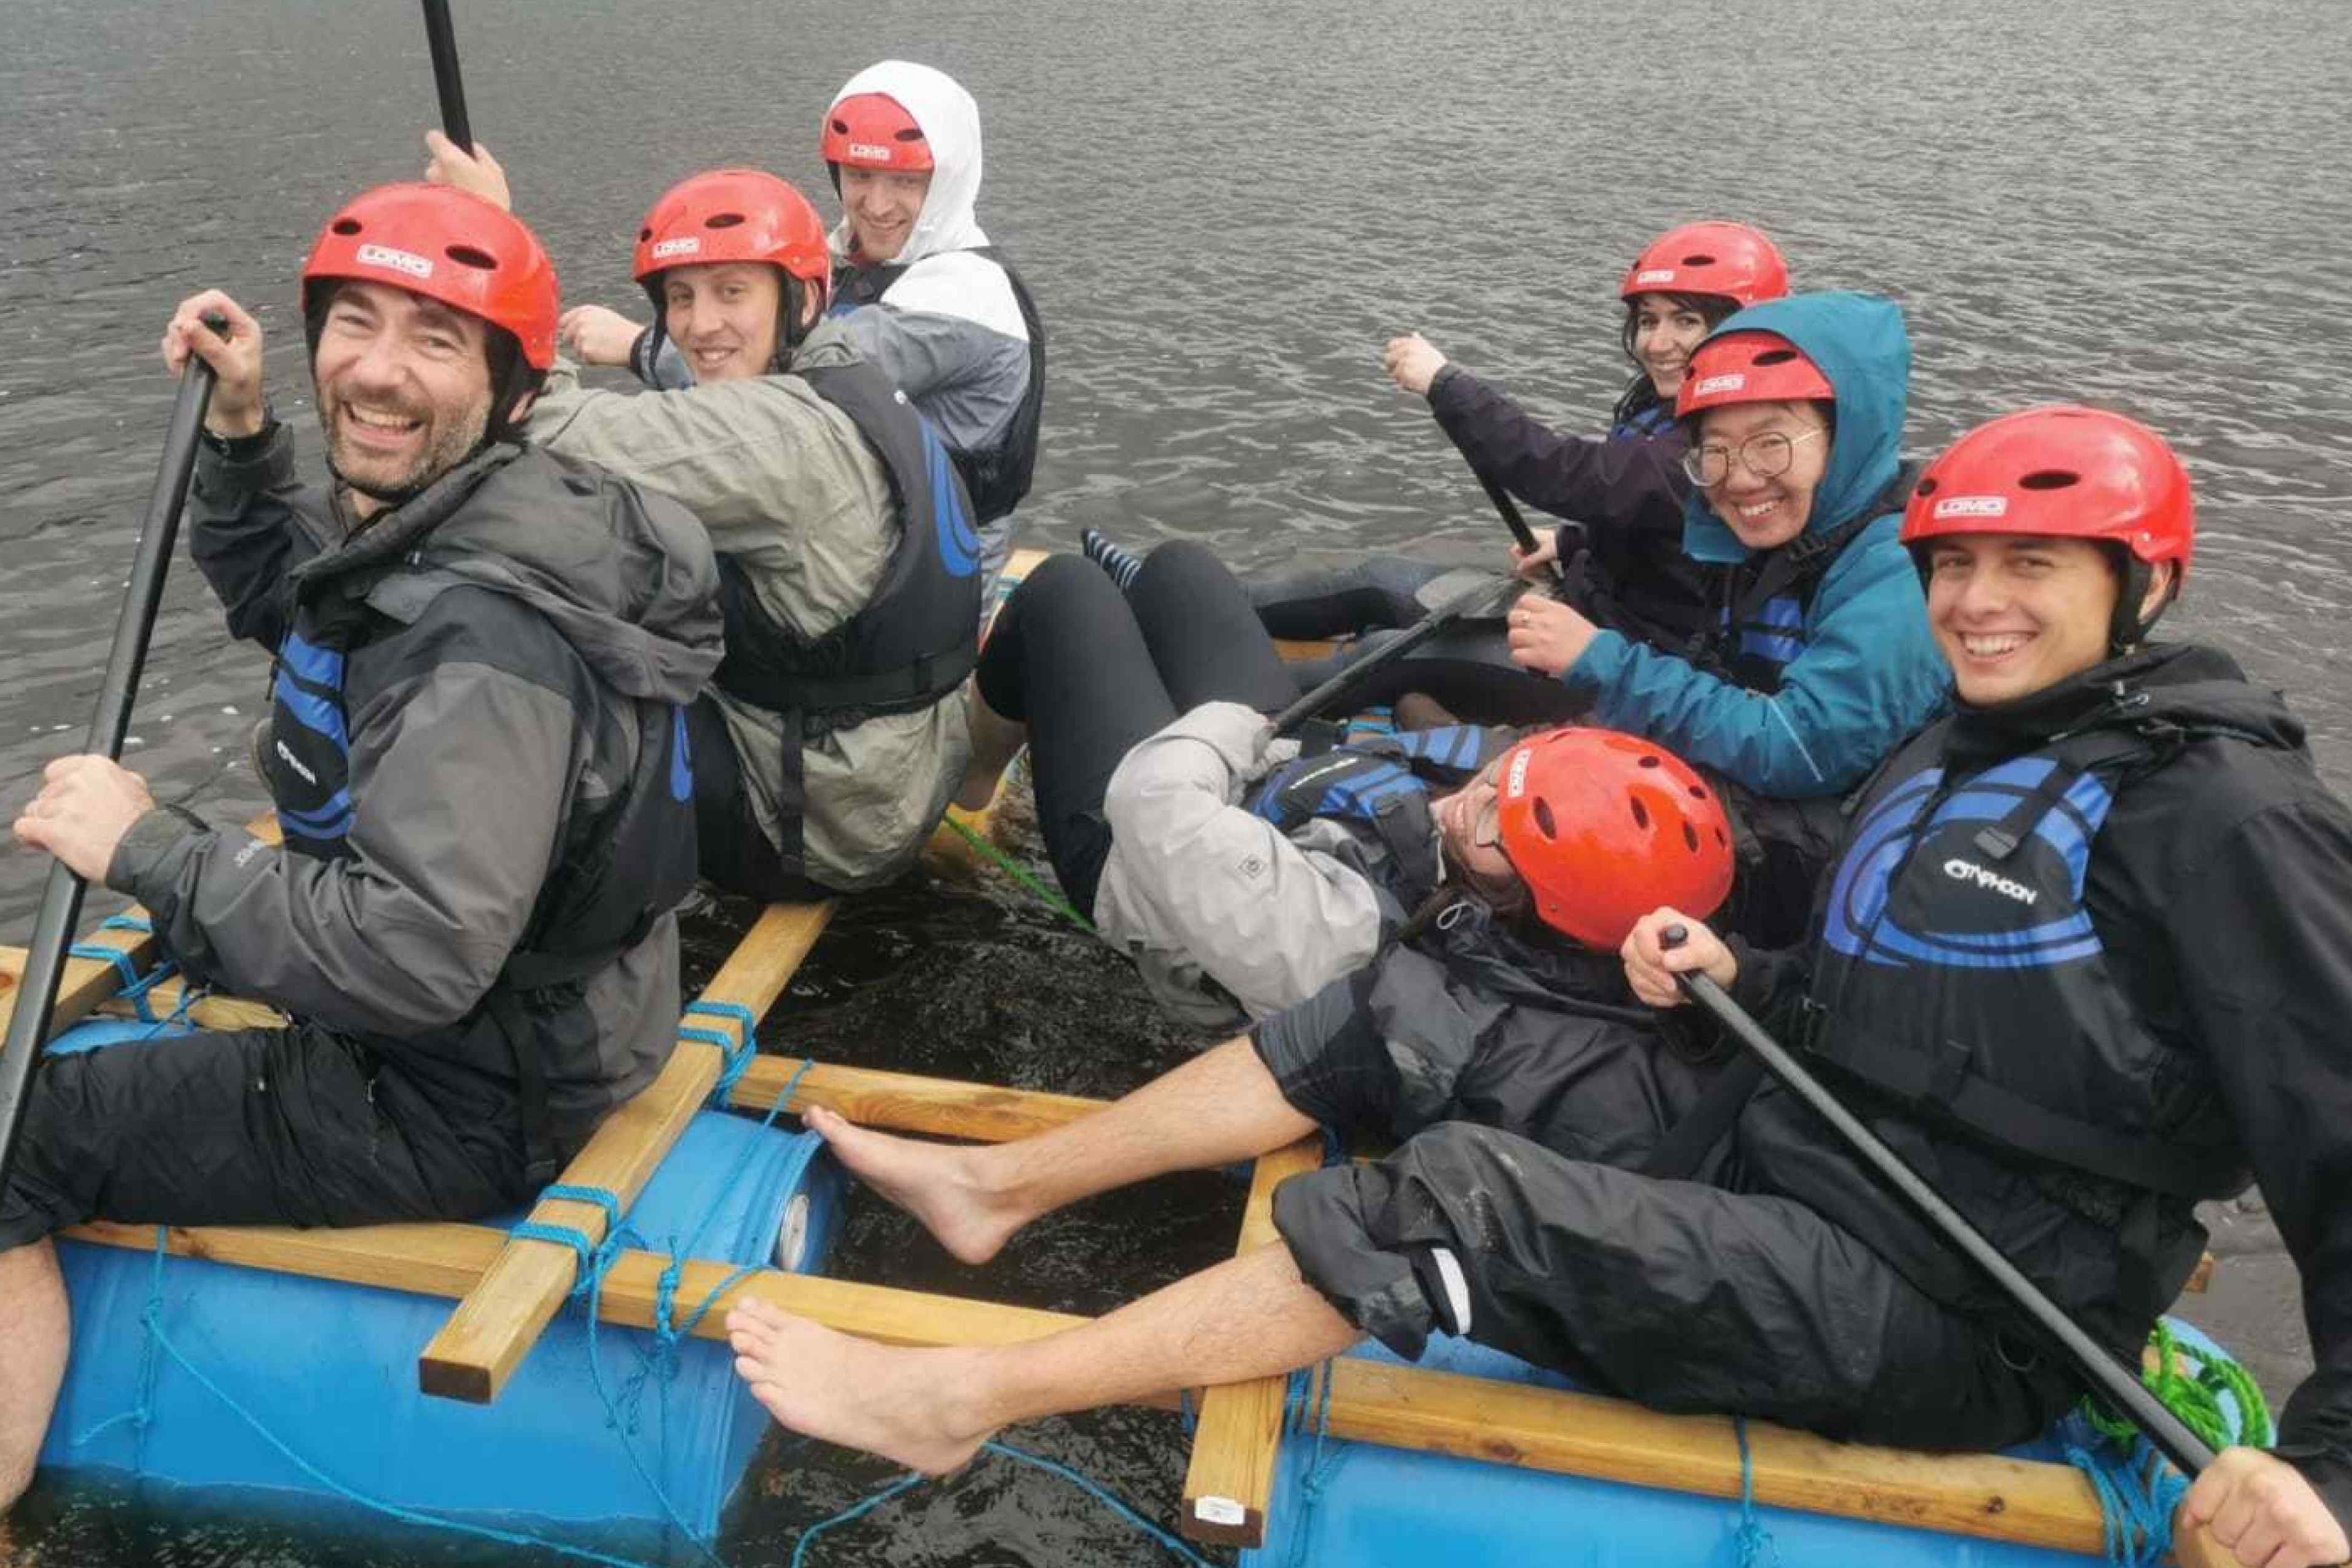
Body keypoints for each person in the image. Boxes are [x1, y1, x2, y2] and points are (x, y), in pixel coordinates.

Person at [722, 407, 2352, 1568]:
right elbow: (1927, 984)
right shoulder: (1969, 738)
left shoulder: (2219, 817)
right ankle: (997, 1185)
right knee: (1411, 1001)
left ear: (2138, 583)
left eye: (2033, 570)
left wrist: (2329, 1468)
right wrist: (1746, 964)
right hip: (1805, 1136)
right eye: (1955, 569)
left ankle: (965, 1395)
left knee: (1455, 1200)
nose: (1978, 604)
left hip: (1957, 1295)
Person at [0, 183, 721, 1522]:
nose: (377, 370)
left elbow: (411, 957)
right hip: (565, 1024)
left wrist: (156, 853)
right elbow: (302, 600)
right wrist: (237, 431)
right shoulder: (479, 510)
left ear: (512, 390)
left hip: (454, 1088)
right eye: (353, 323)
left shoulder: (480, 645)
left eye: (434, 341)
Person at [957, 541, 1724, 1026]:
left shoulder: (1347, 940)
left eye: (1496, 823)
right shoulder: (1488, 860)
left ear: (1534, 902)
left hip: (1142, 855)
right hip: (1273, 780)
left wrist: (1240, 725)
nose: (1467, 799)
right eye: (1498, 780)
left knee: (1065, 591)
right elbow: (1453, 776)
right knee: (1179, 570)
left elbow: (1149, 800)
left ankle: (970, 778)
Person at [518, 167, 981, 898]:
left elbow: (545, 429)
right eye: (680, 297)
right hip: (898, 780)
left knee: (542, 657)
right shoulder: (846, 374)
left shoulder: (781, 436)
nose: (700, 325)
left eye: (732, 292)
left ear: (796, 301)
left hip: (815, 834)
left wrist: (496, 251)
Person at [551, 60, 1045, 588]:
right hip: (846, 535)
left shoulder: (962, 298)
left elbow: (778, 379)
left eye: (905, 181)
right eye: (859, 176)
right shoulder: (867, 257)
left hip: (923, 579)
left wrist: (637, 345)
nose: (875, 206)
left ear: (947, 178)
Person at [1196, 220, 1788, 659]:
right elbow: (1646, 514)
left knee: (1390, 657)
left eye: (1687, 321)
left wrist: (1446, 385)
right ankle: (1181, 600)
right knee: (1378, 579)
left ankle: (1210, 673)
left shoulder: (1725, 448)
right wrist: (1572, 543)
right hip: (1591, 606)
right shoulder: (1667, 406)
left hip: (1621, 658)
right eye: (1650, 320)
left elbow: (1565, 473)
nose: (1658, 343)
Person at [1501, 289, 1949, 798]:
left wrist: (1602, 661)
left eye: (1769, 443)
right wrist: (1572, 540)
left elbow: (1799, 751)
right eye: (1715, 450)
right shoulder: (1787, 530)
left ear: (1844, 435)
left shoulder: (1898, 571)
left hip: (1828, 828)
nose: (1739, 480)